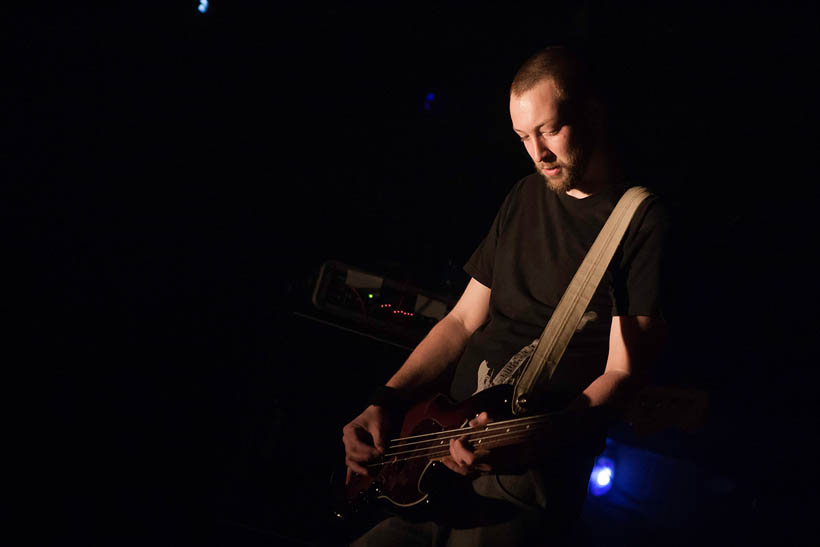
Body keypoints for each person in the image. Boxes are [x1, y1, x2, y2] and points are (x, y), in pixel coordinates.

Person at [341, 45, 668, 546]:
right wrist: (385, 399)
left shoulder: (638, 219)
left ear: (592, 113)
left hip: (520, 481)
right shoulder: (523, 195)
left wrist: (537, 438)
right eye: (523, 136)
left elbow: (623, 373)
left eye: (550, 130)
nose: (538, 153)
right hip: (432, 450)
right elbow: (461, 321)